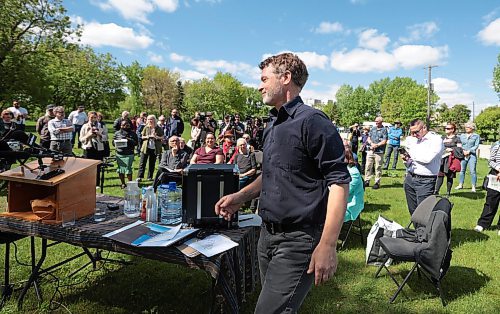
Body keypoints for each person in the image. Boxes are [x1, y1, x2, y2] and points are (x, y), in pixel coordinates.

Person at [214, 53, 350, 313]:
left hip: (299, 241)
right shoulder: (273, 124)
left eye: (265, 79)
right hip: (267, 236)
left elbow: (339, 183)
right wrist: (239, 197)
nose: (259, 85)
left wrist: (328, 244)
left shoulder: (313, 122)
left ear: (285, 78)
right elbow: (272, 174)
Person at [402, 119, 443, 215]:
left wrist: (411, 154)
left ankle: (424, 230)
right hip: (410, 177)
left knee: (423, 213)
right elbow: (413, 160)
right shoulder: (415, 140)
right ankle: (418, 230)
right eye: (412, 132)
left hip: (425, 181)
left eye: (416, 132)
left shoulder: (435, 140)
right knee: (413, 211)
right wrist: (407, 159)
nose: (414, 135)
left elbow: (426, 159)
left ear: (424, 127)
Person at [474, 140, 500, 234]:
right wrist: (499, 168)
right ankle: (483, 224)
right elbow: (491, 161)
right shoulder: (497, 145)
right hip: (495, 175)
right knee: (491, 200)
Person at [434, 123, 463, 196]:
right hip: (442, 159)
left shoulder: (457, 139)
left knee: (450, 176)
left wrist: (452, 149)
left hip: (451, 160)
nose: (446, 130)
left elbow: (460, 150)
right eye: (445, 128)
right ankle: (436, 191)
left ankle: (448, 192)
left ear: (452, 129)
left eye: (448, 128)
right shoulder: (442, 138)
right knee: (440, 175)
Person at [79, 111, 106, 187]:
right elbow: (81, 139)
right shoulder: (84, 126)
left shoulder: (101, 126)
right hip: (88, 148)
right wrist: (88, 136)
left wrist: (99, 134)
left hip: (98, 148)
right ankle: (88, 183)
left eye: (95, 117)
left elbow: (106, 138)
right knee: (88, 167)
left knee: (98, 166)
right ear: (88, 117)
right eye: (91, 117)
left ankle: (97, 184)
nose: (93, 119)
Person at [137, 115, 163, 181]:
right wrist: (148, 137)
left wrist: (156, 137)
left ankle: (150, 177)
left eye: (151, 119)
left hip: (154, 148)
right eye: (148, 119)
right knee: (142, 162)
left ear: (154, 120)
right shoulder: (146, 127)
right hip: (146, 147)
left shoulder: (159, 128)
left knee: (152, 163)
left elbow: (162, 137)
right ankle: (140, 177)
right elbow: (142, 137)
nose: (150, 121)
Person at [113, 120, 138, 189]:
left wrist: (128, 139)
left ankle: (130, 184)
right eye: (123, 125)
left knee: (128, 169)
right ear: (121, 125)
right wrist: (117, 141)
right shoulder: (117, 133)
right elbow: (113, 142)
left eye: (127, 125)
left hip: (129, 153)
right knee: (120, 169)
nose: (125, 126)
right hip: (120, 154)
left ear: (129, 125)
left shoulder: (133, 133)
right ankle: (123, 183)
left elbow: (136, 143)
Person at [456, 122, 480, 192]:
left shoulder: (476, 136)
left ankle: (473, 187)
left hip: (472, 155)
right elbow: (459, 144)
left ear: (472, 128)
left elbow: (476, 145)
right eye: (466, 127)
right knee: (462, 170)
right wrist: (462, 151)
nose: (466, 128)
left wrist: (469, 151)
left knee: (472, 171)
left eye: (468, 127)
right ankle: (460, 185)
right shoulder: (462, 135)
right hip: (463, 155)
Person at [364, 117, 388, 189]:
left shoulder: (384, 130)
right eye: (375, 121)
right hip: (371, 150)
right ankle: (367, 180)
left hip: (379, 151)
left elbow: (384, 141)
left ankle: (377, 182)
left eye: (377, 121)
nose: (376, 122)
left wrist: (376, 145)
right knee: (368, 165)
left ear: (381, 122)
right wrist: (371, 144)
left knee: (378, 167)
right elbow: (369, 138)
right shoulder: (373, 128)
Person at [343, 143, 364, 222]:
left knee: (322, 214)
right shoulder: (342, 169)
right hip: (340, 203)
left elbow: (344, 192)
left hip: (350, 207)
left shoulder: (353, 173)